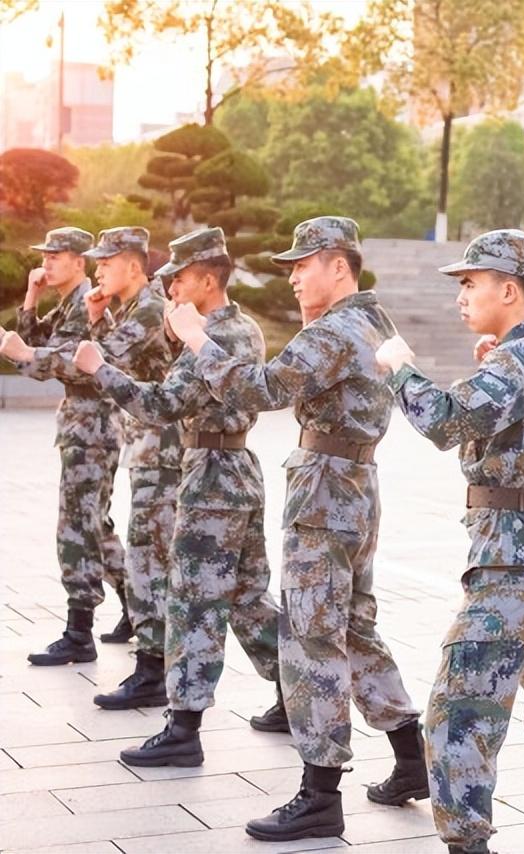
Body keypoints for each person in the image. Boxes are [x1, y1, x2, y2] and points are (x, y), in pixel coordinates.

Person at [165, 215, 424, 842]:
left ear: (339, 266)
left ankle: (319, 794)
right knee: (355, 627)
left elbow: (261, 389)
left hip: (324, 492)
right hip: (357, 485)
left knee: (312, 635)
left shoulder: (335, 328)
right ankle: (412, 756)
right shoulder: (373, 319)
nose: (293, 278)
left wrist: (199, 340)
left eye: (302, 266)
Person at [376, 229, 524, 854]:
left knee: (458, 710)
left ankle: (469, 847)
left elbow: (443, 421)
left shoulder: (516, 363)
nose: (461, 296)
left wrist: (400, 367)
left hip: (512, 554)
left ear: (508, 290)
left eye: (470, 284)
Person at [75, 227, 287, 765]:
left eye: (179, 279)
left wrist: (101, 370)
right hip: (229, 468)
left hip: (214, 477)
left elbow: (161, 404)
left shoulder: (214, 336)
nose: (170, 289)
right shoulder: (235, 328)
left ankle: (184, 730)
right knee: (244, 596)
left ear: (208, 279)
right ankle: (296, 688)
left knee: (193, 602)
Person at [0, 227, 127, 665]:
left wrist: (23, 354)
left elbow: (56, 362)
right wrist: (30, 298)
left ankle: (80, 632)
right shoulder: (70, 303)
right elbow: (32, 343)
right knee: (95, 523)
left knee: (75, 525)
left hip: (93, 425)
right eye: (45, 256)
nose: (47, 263)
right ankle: (139, 604)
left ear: (80, 262)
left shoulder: (88, 305)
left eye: (57, 256)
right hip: (82, 424)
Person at [75, 226, 183, 710]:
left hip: (162, 449)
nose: (97, 269)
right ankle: (152, 666)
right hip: (147, 446)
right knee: (148, 556)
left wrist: (25, 353)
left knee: (149, 558)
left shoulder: (149, 309)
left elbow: (101, 364)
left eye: (106, 261)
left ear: (134, 267)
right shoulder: (131, 309)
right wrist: (97, 321)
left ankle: (152, 672)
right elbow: (107, 367)